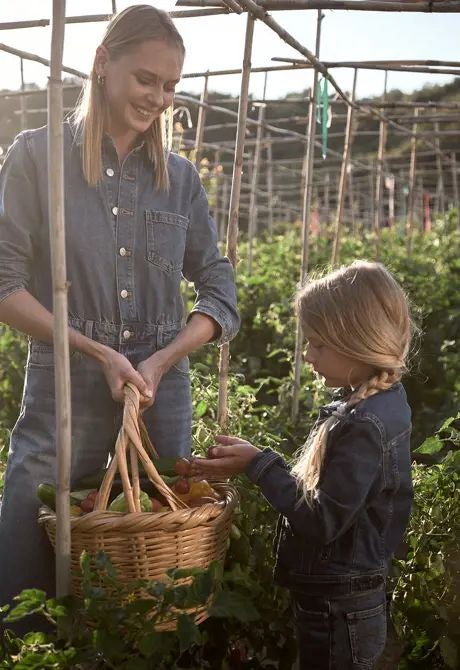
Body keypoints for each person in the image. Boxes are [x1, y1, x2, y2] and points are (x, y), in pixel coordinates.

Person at [0, 4, 238, 626]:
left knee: (161, 553)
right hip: (67, 378)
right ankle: (31, 647)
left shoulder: (179, 178)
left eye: (170, 86)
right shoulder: (37, 157)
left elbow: (218, 288)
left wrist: (161, 359)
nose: (158, 97)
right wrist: (97, 351)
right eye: (146, 80)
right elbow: (2, 285)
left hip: (160, 389)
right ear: (104, 64)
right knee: (30, 532)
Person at [191, 261, 415, 670]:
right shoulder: (369, 401)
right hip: (340, 597)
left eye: (318, 345)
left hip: (340, 605)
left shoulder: (364, 422)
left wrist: (258, 464)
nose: (308, 355)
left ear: (356, 341)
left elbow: (321, 519)